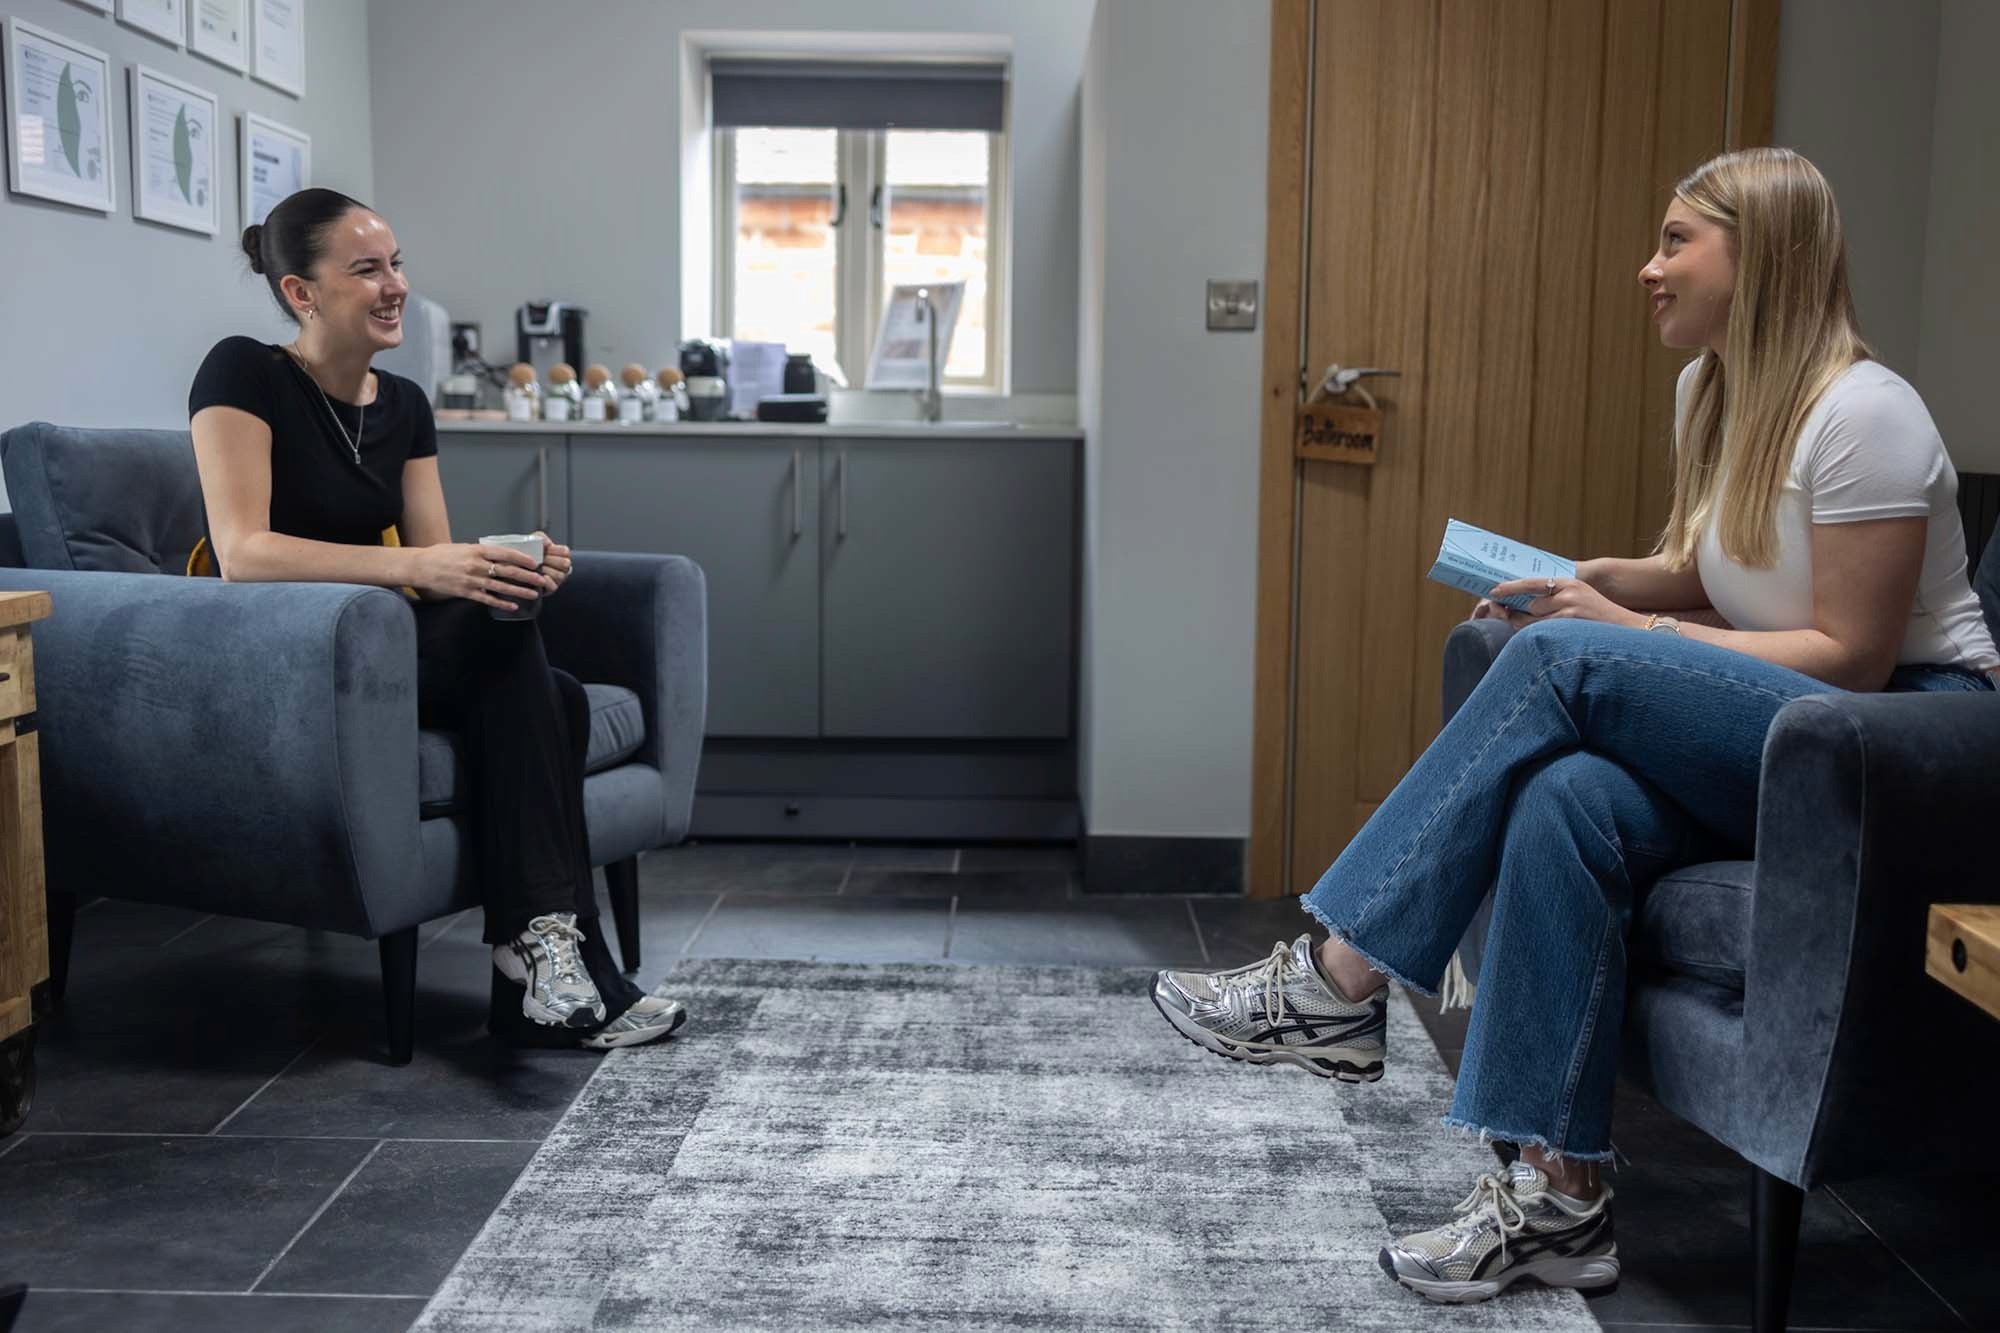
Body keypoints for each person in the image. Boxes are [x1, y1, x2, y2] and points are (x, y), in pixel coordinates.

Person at [1150, 147, 1999, 1305]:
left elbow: (1849, 654)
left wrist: (1611, 633)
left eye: (1673, 243)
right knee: (1567, 799)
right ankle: (1558, 1197)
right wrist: (1589, 580)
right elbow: (1727, 582)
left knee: (1558, 661)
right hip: (1790, 727)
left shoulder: (1865, 414)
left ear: (1758, 261)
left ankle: (1337, 978)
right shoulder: (1712, 390)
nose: (1645, 268)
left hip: (1904, 747)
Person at [189, 188, 685, 1051]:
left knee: (551, 688)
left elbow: (438, 574)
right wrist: (426, 566)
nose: (395, 286)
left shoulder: (405, 405)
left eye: (397, 264)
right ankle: (556, 966)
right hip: (291, 650)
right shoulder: (242, 372)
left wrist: (507, 569)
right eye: (367, 269)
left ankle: (543, 975)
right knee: (550, 695)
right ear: (301, 293)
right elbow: (244, 553)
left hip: (388, 644)